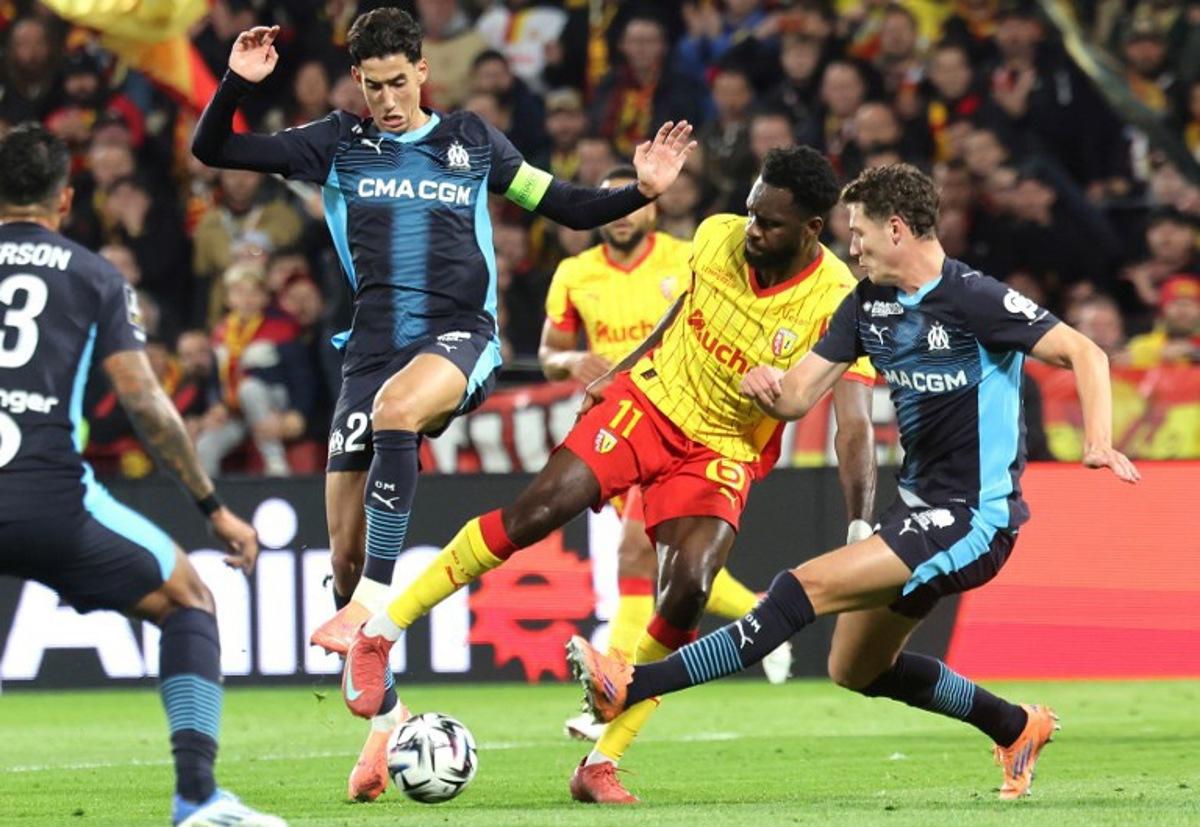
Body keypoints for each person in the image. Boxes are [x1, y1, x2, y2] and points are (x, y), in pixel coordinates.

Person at [190, 8, 694, 802]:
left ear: (423, 70)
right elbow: (212, 149)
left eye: (399, 81)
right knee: (344, 553)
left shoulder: (473, 142)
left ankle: (372, 608)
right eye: (373, 85)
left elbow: (562, 204)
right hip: (370, 352)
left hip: (462, 337)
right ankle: (383, 719)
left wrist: (641, 190)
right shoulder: (334, 142)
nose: (388, 99)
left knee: (396, 421)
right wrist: (234, 86)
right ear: (358, 82)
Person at [567, 163, 1141, 802]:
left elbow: (1085, 352)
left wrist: (1097, 442)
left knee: (800, 586)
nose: (852, 246)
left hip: (977, 518)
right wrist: (767, 389)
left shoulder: (973, 298)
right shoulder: (866, 304)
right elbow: (795, 398)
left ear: (897, 228)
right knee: (856, 669)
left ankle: (632, 685)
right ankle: (1014, 725)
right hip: (917, 510)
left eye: (860, 232)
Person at [342, 146, 878, 804]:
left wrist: (858, 522)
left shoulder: (839, 300)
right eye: (749, 213)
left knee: (689, 588)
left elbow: (854, 422)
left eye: (768, 223)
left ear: (812, 231)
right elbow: (680, 315)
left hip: (724, 448)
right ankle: (379, 630)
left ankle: (600, 761)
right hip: (649, 404)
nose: (751, 230)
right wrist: (619, 373)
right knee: (535, 513)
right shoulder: (714, 238)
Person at [0, 124, 283, 826]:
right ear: (66, 199)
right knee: (188, 599)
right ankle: (195, 797)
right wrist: (212, 505)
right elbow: (146, 403)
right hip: (50, 498)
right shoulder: (96, 276)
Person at [539, 164, 793, 742]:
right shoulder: (574, 273)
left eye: (631, 203)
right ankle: (759, 616)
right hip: (618, 419)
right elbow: (549, 350)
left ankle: (615, 685)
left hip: (685, 416)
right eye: (611, 206)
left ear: (652, 206)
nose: (623, 215)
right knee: (648, 559)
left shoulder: (688, 257)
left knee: (634, 552)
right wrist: (570, 363)